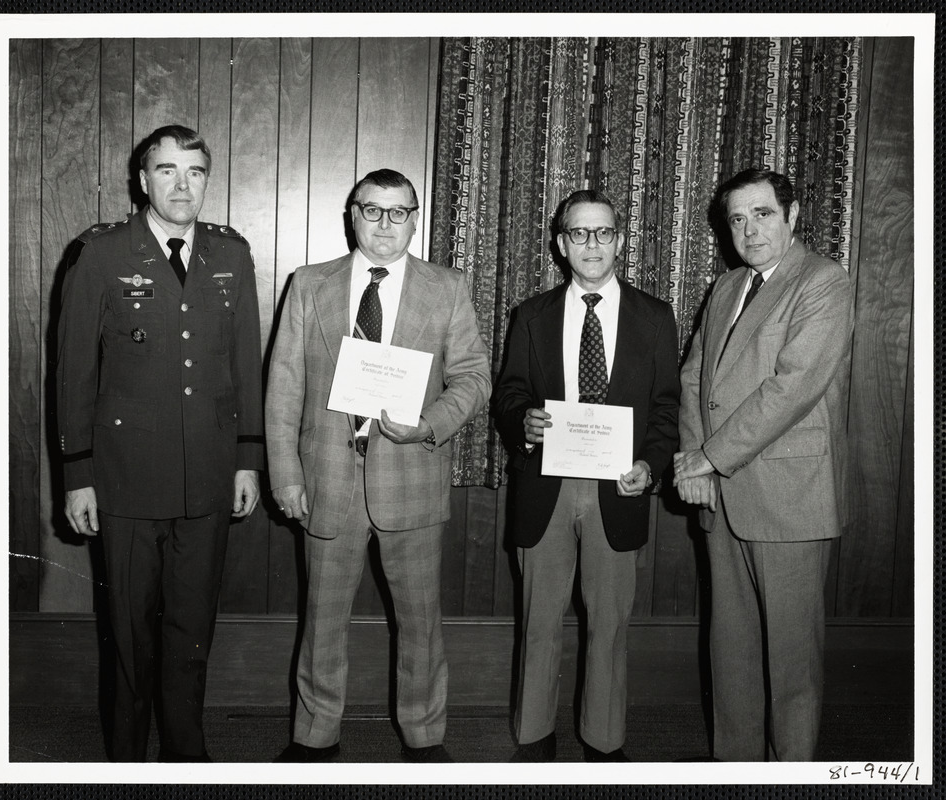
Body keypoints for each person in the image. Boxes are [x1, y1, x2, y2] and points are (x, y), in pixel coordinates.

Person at [265, 168, 491, 763]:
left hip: (411, 476)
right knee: (321, 621)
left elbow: (472, 377)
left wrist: (431, 424)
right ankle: (314, 737)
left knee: (421, 624)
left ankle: (423, 737)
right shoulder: (309, 285)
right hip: (325, 481)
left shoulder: (448, 287)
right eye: (373, 210)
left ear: (415, 218)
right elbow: (284, 387)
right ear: (352, 214)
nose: (385, 224)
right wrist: (285, 474)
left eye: (399, 212)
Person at [56, 124, 264, 762]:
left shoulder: (230, 254)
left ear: (207, 180)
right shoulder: (101, 253)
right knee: (128, 635)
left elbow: (243, 363)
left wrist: (247, 460)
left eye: (195, 172)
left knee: (190, 629)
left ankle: (184, 753)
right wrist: (77, 472)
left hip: (206, 476)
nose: (182, 185)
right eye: (167, 171)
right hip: (124, 480)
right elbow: (73, 371)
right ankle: (125, 758)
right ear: (141, 179)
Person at [492, 189, 680, 762]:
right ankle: (532, 738)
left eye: (602, 233)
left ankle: (603, 740)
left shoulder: (654, 316)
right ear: (560, 243)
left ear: (619, 240)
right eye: (579, 233)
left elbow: (668, 408)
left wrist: (649, 466)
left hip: (618, 492)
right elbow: (509, 394)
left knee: (609, 628)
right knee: (539, 622)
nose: (591, 244)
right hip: (546, 486)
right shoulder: (532, 315)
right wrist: (523, 419)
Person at [675, 168, 853, 761]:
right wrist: (697, 467)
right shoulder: (727, 286)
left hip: (789, 498)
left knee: (791, 661)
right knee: (733, 654)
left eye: (763, 214)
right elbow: (695, 377)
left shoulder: (823, 282)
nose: (749, 230)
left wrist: (706, 458)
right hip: (722, 497)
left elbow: (791, 389)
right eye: (737, 219)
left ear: (793, 215)